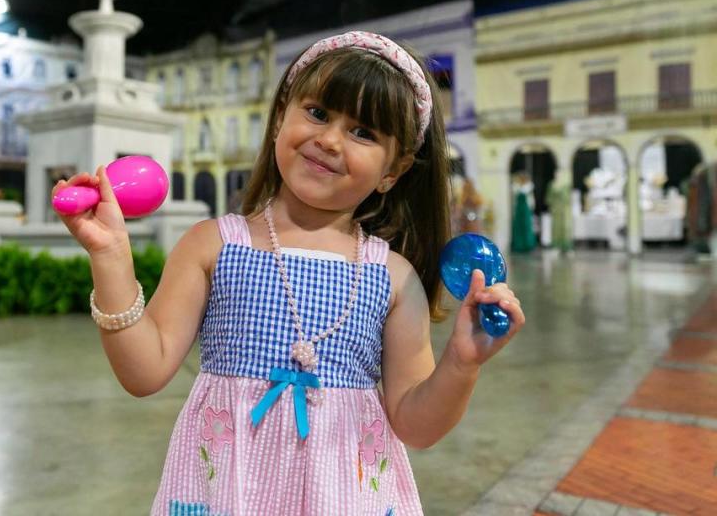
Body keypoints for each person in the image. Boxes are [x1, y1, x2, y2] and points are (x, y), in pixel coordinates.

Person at [53, 31, 525, 515]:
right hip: (226, 495)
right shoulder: (213, 244)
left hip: (346, 497)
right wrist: (110, 254)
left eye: (363, 132)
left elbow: (417, 426)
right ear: (281, 117)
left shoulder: (394, 277)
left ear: (394, 169)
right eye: (318, 113)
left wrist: (462, 364)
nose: (329, 140)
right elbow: (143, 370)